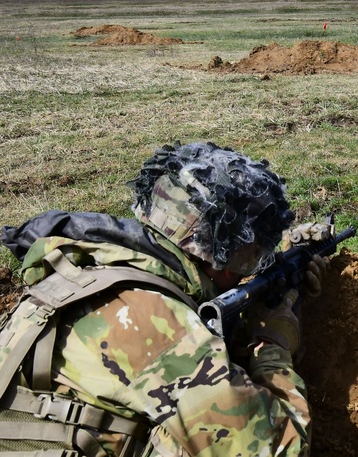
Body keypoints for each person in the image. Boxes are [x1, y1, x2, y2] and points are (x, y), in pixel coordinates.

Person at [0, 141, 329, 456]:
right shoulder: (157, 322)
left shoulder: (93, 268)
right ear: (222, 253)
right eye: (251, 257)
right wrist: (273, 345)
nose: (247, 271)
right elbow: (277, 448)